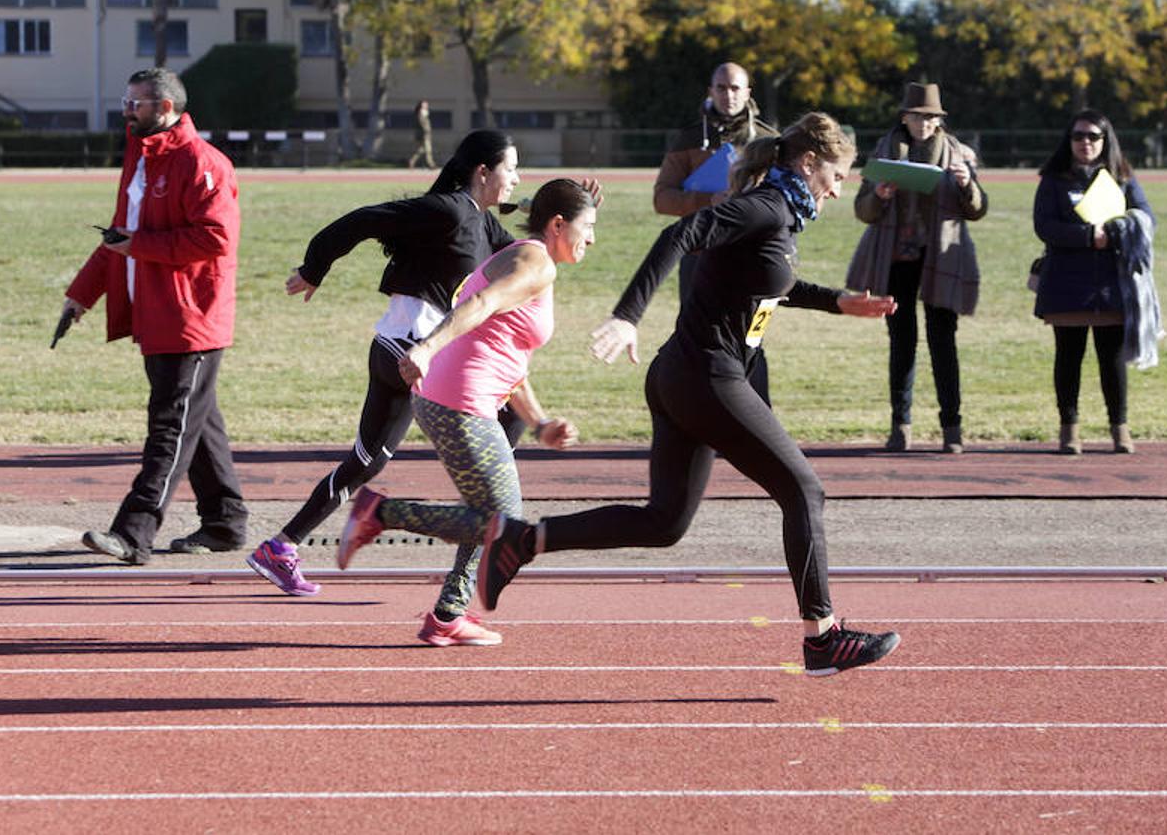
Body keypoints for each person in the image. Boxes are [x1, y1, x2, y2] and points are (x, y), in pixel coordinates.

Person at [365, 113, 900, 676]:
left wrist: (839, 301)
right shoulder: (765, 206)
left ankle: (525, 541)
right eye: (837, 174)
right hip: (705, 377)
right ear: (809, 163)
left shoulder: (779, 218)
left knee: (664, 523)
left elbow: (771, 284)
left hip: (683, 376)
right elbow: (680, 234)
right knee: (805, 490)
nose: (840, 189)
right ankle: (823, 637)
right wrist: (626, 317)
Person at [246, 131, 534, 636]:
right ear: (483, 172)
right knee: (508, 417)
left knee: (369, 457)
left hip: (400, 349)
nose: (517, 176)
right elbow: (361, 221)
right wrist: (315, 269)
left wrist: (561, 219)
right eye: (512, 168)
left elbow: (529, 259)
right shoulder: (445, 210)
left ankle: (282, 546)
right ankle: (480, 524)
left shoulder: (483, 223)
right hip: (409, 350)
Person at [336, 179, 598, 646]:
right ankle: (379, 512)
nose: (593, 238)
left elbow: (506, 356)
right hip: (457, 400)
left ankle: (447, 616)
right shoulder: (535, 263)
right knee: (507, 526)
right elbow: (480, 304)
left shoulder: (527, 256)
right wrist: (427, 347)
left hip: (457, 396)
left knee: (489, 514)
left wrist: (538, 422)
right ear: (558, 224)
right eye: (588, 226)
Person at [63, 67, 248, 565]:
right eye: (127, 101)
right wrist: (81, 295)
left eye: (136, 103)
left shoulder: (202, 162)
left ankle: (134, 532)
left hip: (191, 318)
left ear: (165, 109)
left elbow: (215, 238)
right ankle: (225, 523)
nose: (127, 109)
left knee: (169, 426)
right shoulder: (141, 158)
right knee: (196, 420)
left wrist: (137, 245)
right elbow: (118, 239)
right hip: (156, 312)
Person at [846, 82, 986, 454]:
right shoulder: (883, 151)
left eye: (931, 118)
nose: (924, 123)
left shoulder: (958, 152)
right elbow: (863, 211)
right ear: (904, 117)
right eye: (917, 116)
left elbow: (977, 208)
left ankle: (952, 427)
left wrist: (967, 183)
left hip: (941, 258)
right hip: (895, 259)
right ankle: (900, 425)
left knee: (944, 343)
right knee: (902, 343)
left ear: (939, 121)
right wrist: (878, 195)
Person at [1032, 110, 1156, 455]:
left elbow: (1147, 217)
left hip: (1111, 283)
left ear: (1106, 140)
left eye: (1093, 136)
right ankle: (1068, 428)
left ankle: (1120, 427)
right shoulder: (1054, 179)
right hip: (1067, 281)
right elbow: (1044, 225)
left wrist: (1119, 230)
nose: (1085, 142)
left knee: (1112, 358)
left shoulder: (1123, 177)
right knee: (1068, 356)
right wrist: (1088, 236)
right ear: (1068, 141)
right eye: (1078, 136)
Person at [654, 62, 778, 402]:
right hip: (699, 258)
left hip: (755, 260)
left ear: (748, 92)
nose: (729, 95)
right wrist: (708, 199)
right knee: (698, 342)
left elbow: (787, 198)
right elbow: (662, 198)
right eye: (721, 88)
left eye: (736, 88)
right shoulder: (688, 139)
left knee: (753, 339)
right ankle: (698, 420)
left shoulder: (769, 141)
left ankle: (758, 418)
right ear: (710, 91)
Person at [407, 100, 435, 169]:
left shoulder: (425, 113)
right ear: (421, 105)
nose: (426, 105)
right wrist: (426, 131)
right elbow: (422, 124)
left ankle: (411, 161)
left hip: (425, 134)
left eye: (426, 104)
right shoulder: (421, 113)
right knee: (428, 150)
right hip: (424, 135)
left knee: (421, 150)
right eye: (424, 104)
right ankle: (431, 164)